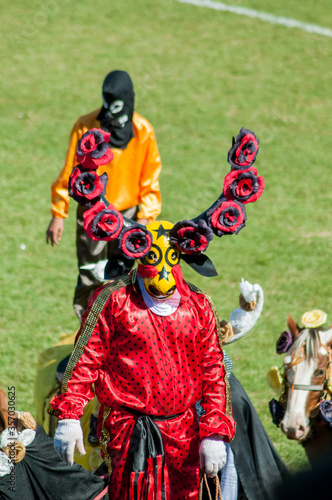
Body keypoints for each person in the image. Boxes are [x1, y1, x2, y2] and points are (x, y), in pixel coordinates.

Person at [48, 126, 266, 499]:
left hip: (186, 437)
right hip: (130, 435)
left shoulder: (197, 305)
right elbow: (86, 360)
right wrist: (69, 414)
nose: (162, 279)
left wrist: (214, 431)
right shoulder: (114, 301)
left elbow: (214, 371)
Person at [46, 70, 162, 320]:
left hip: (128, 215)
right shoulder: (85, 126)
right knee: (89, 274)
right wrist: (58, 213)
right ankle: (87, 332)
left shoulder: (143, 131)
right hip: (91, 214)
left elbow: (150, 180)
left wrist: (143, 220)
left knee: (123, 278)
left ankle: (118, 331)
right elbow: (69, 172)